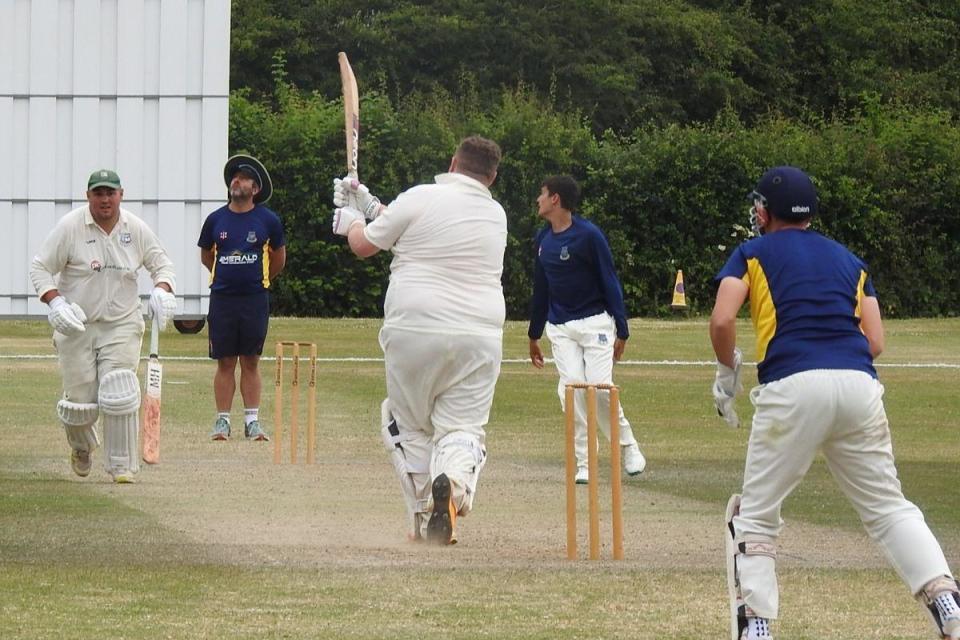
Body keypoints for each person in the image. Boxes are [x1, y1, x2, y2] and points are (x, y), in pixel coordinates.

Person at [711, 165, 960, 640]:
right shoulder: (849, 259)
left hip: (792, 386)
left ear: (764, 211)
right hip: (859, 386)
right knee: (889, 507)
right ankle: (946, 600)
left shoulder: (752, 252)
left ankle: (757, 627)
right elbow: (877, 340)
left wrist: (728, 373)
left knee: (757, 515)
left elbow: (723, 320)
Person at [331, 135, 507, 545]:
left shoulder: (421, 196)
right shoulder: (496, 214)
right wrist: (370, 204)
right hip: (478, 335)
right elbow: (413, 223)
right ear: (492, 177)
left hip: (415, 327)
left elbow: (364, 245)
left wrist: (350, 219)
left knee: (407, 423)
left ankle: (423, 509)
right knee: (462, 428)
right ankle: (453, 486)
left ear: (451, 162)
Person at [29, 169, 177, 483]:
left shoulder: (134, 228)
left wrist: (163, 289)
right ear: (88, 196)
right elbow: (40, 268)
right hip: (76, 325)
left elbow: (162, 264)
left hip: (121, 323)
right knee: (80, 405)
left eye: (111, 193)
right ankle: (82, 447)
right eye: (98, 193)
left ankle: (121, 465)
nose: (105, 199)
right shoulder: (71, 227)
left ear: (121, 194)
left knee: (119, 388)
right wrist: (56, 302)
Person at [527, 176, 646, 484]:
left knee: (600, 388)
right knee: (572, 391)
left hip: (596, 323)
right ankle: (585, 463)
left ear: (555, 199)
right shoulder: (543, 240)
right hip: (561, 327)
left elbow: (609, 280)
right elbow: (541, 289)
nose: (537, 200)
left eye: (542, 194)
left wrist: (622, 328)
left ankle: (628, 446)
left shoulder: (590, 236)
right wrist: (533, 334)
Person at [198, 155, 286, 441]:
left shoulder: (268, 220)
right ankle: (222, 422)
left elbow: (278, 259)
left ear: (255, 188)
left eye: (245, 177)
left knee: (250, 361)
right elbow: (207, 255)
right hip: (222, 299)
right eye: (235, 176)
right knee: (225, 362)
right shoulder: (215, 220)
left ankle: (252, 422)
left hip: (254, 300)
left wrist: (260, 280)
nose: (237, 180)